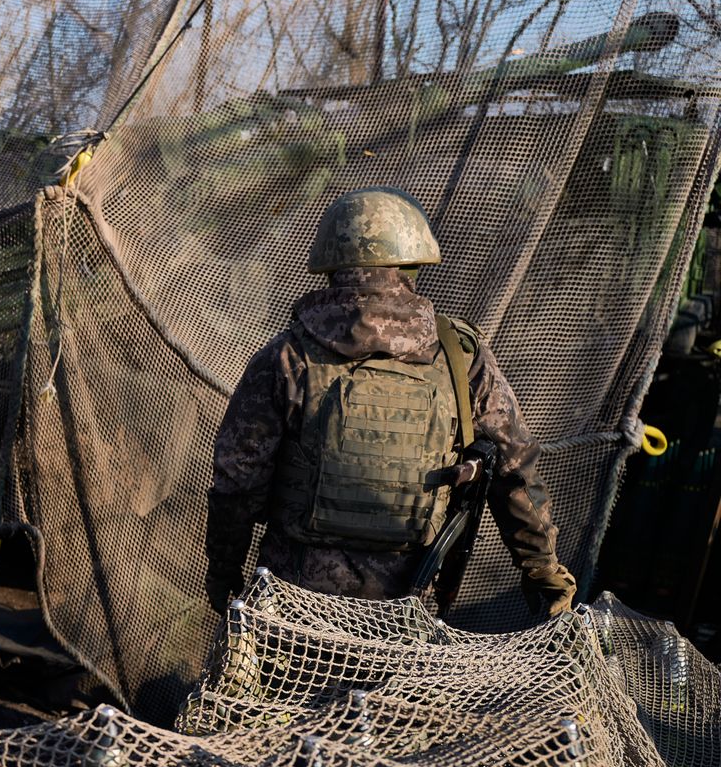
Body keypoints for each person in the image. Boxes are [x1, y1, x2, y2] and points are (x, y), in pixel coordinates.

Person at [205, 186, 577, 616]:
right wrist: (544, 571)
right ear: (412, 261)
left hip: (294, 604)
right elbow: (515, 469)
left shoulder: (286, 356)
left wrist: (224, 573)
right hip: (406, 606)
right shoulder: (459, 354)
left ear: (331, 262)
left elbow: (237, 482)